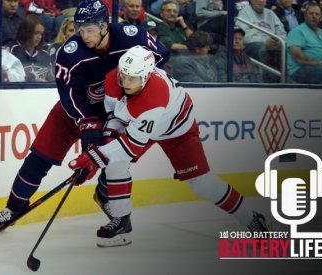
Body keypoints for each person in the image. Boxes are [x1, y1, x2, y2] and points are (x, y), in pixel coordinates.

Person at [0, 0, 169, 232]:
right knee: (39, 157)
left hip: (115, 115)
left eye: (89, 29)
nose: (84, 35)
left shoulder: (133, 37)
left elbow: (161, 57)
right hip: (73, 114)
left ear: (104, 25)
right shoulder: (70, 53)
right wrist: (88, 125)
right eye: (80, 29)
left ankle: (105, 195)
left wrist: (138, 97)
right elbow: (68, 95)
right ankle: (14, 207)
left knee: (118, 158)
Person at [68, 46, 269, 247]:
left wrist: (94, 158)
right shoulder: (114, 78)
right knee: (114, 160)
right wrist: (107, 139)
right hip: (140, 123)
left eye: (132, 78)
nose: (125, 82)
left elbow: (130, 146)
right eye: (124, 76)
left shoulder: (154, 96)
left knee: (201, 183)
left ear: (146, 76)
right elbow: (114, 116)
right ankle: (121, 219)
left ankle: (250, 217)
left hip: (177, 130)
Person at [286, 2, 322, 84]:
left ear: (321, 18)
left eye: (317, 14)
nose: (314, 16)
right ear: (305, 16)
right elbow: (297, 55)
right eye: (311, 13)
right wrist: (315, 62)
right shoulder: (297, 31)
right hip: (299, 69)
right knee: (319, 70)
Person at [236, 0, 287, 82]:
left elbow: (283, 34)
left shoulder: (271, 14)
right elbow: (242, 37)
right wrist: (265, 41)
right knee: (262, 48)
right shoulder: (244, 12)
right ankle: (267, 82)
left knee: (284, 49)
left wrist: (278, 41)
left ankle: (283, 80)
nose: (261, 1)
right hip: (251, 47)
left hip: (272, 45)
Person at [10, 14, 54, 82]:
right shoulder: (14, 52)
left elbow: (51, 81)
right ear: (27, 32)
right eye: (36, 33)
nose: (39, 37)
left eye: (41, 34)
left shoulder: (45, 56)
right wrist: (33, 79)